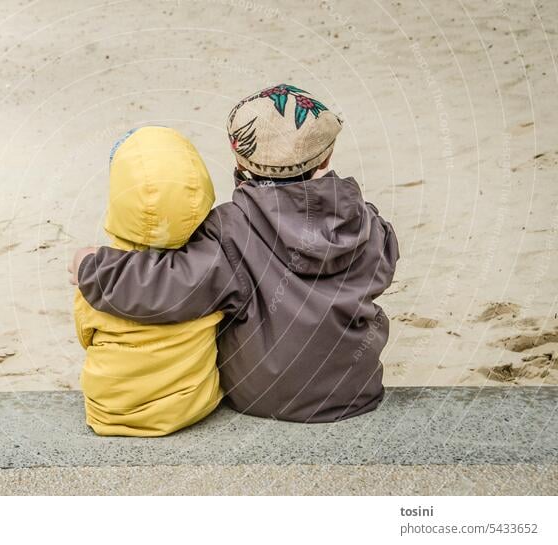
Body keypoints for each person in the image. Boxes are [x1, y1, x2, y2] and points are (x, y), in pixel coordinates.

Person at [70, 84, 400, 423]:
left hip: (262, 397)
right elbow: (385, 261)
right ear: (327, 157)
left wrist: (95, 268)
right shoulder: (364, 220)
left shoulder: (232, 228)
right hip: (356, 391)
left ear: (239, 158)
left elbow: (173, 286)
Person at [74, 126, 223, 436]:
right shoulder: (213, 267)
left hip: (111, 411)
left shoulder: (99, 275)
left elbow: (85, 335)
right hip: (192, 405)